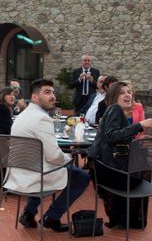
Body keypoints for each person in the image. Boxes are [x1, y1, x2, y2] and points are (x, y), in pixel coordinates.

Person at [7, 79, 90, 232]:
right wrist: (69, 157)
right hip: (34, 176)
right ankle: (52, 217)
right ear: (35, 97)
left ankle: (28, 213)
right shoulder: (42, 118)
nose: (53, 96)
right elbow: (54, 157)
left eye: (53, 92)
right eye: (47, 92)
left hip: (17, 173)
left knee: (51, 166)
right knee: (82, 177)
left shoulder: (24, 114)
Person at [89, 82, 152, 229]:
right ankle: (131, 219)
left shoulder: (114, 111)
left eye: (129, 92)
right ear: (113, 96)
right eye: (122, 92)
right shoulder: (115, 109)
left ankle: (125, 218)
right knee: (143, 168)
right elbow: (112, 136)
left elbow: (117, 137)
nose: (128, 95)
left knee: (142, 165)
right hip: (108, 172)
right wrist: (140, 125)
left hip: (104, 167)